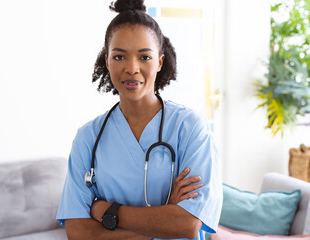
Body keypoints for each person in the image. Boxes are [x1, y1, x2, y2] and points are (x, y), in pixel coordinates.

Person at [56, 0, 222, 239]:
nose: (132, 68)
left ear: (160, 62)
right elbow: (79, 232)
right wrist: (162, 218)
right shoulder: (88, 138)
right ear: (107, 61)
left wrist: (107, 212)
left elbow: (187, 224)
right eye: (119, 57)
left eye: (144, 57)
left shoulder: (190, 128)